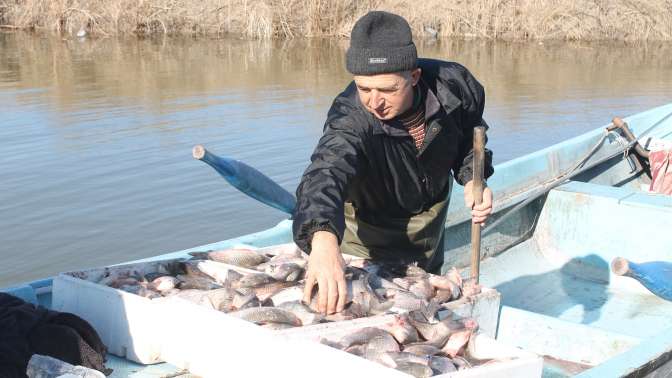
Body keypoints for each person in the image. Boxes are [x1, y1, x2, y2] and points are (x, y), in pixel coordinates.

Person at [292, 11, 494, 315]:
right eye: (364, 89)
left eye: (387, 90)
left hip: (431, 217)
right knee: (370, 307)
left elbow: (469, 137)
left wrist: (471, 178)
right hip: (369, 225)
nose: (374, 102)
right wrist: (321, 239)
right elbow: (326, 172)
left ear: (413, 77)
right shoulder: (350, 119)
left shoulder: (456, 87)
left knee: (422, 298)